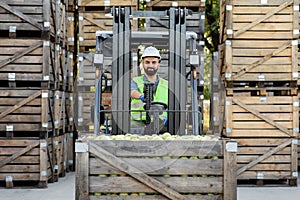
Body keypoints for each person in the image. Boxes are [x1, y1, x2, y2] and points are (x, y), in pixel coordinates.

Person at [130, 46, 168, 133]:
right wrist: (141, 96)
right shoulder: (135, 81)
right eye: (147, 62)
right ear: (142, 63)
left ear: (158, 64)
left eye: (154, 62)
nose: (150, 65)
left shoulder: (167, 85)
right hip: (138, 123)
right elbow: (132, 91)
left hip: (161, 124)